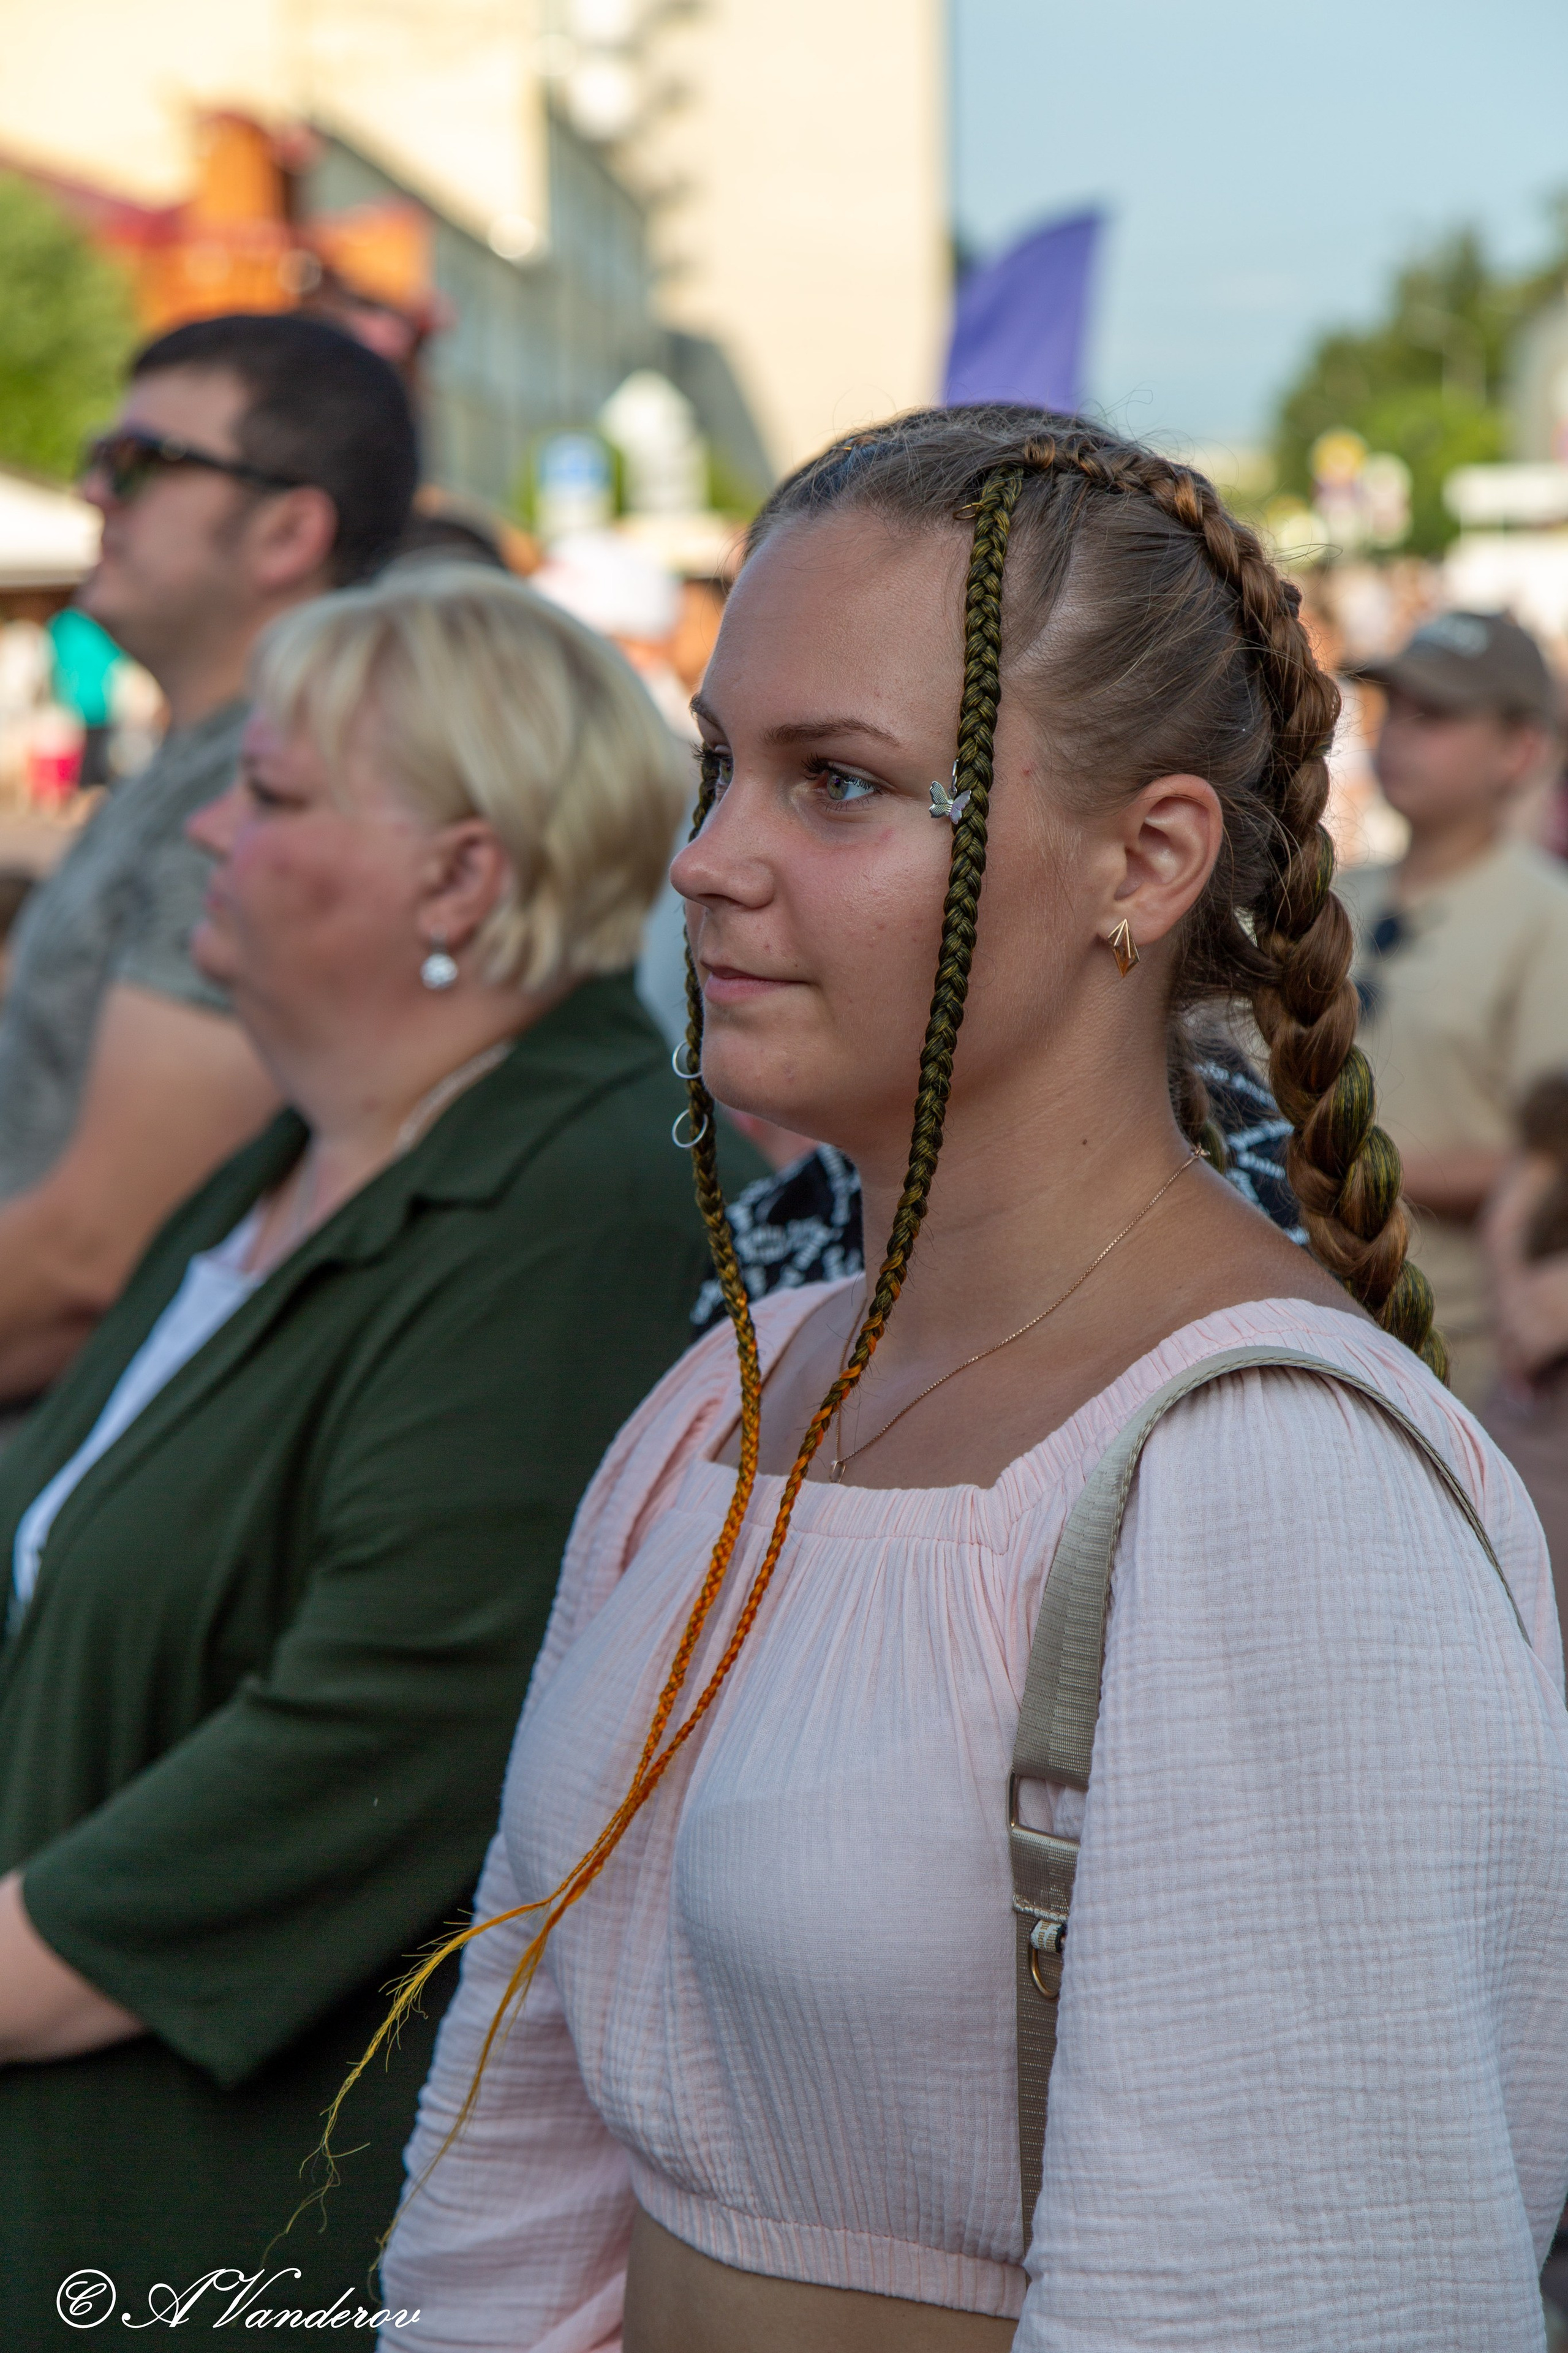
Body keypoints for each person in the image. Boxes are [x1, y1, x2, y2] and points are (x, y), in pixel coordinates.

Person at [382, 412, 1568, 2353]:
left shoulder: (1267, 1490)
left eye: (837, 785)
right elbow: (509, 2168)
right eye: (719, 768)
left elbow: (1283, 2294)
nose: (706, 863)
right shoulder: (726, 1403)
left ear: (1148, 858)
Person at [0, 566, 759, 2332]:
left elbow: (370, 1746)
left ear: (462, 876)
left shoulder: (574, 1203)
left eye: (267, 799)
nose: (207, 840)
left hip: (234, 2233)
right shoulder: (295, 1151)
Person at [0, 311, 418, 1409]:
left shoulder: (276, 796)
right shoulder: (207, 762)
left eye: (142, 463)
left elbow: (94, 1263)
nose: (97, 492)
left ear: (288, 533)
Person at [1339, 610, 1568, 1404]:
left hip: (1456, 1362)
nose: (1398, 735)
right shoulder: (1330, 896)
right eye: (1394, 709)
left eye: (1433, 717)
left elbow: (1549, 1153)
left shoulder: (1548, 917)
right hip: (1308, 1328)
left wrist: (1338, 1166)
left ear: (1521, 750)